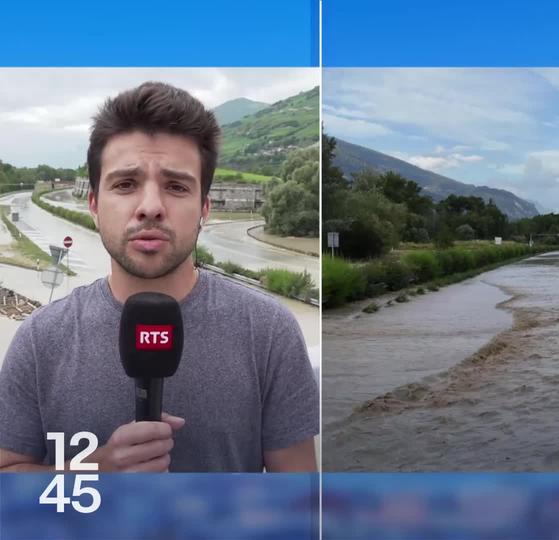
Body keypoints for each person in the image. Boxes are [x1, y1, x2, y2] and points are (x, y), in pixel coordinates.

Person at [0, 82, 319, 472]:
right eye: (126, 184)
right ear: (94, 205)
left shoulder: (268, 331)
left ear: (204, 208)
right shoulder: (40, 338)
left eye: (176, 186)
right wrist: (92, 474)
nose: (150, 207)